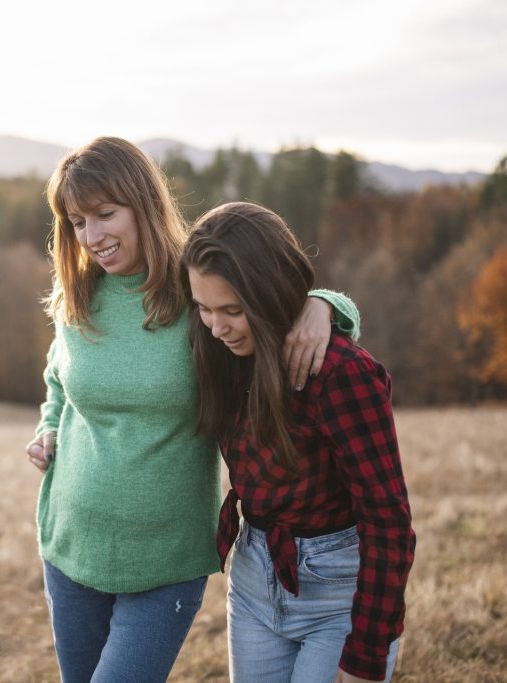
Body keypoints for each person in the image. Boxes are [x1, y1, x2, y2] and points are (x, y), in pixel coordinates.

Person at [24, 137, 361, 682]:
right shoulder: (78, 294)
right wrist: (48, 427)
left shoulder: (195, 289)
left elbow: (272, 302)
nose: (92, 237)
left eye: (106, 214)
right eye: (77, 221)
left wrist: (325, 305)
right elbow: (58, 379)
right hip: (70, 544)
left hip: (167, 560)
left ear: (144, 203)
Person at [180, 201, 415, 683]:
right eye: (203, 308)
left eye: (232, 310)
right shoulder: (220, 353)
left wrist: (366, 654)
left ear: (269, 295)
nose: (216, 326)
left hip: (337, 595)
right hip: (252, 579)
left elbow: (388, 520)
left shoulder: (341, 374)